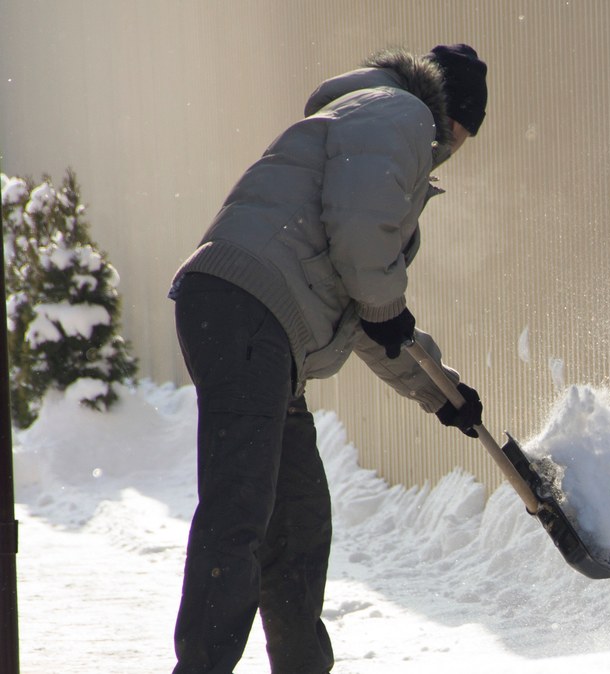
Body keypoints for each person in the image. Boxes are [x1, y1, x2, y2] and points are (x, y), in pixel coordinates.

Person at [167, 44, 488, 673]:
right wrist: (386, 305)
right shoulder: (398, 114)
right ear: (450, 113)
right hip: (247, 307)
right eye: (462, 133)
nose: (455, 147)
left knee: (298, 523)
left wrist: (441, 393)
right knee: (241, 513)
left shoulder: (371, 125)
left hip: (261, 324)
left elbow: (370, 318)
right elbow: (364, 244)